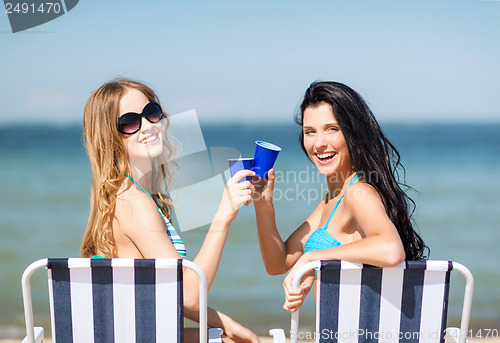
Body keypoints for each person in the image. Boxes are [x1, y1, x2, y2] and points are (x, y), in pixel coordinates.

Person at [80, 79, 259, 343]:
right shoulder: (135, 203)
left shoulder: (121, 194)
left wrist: (228, 324)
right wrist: (223, 215)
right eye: (129, 122)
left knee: (234, 337)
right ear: (109, 136)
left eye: (151, 113)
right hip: (141, 335)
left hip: (135, 332)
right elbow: (189, 293)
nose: (147, 126)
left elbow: (169, 291)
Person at [252, 81, 427, 313]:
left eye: (332, 129)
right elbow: (277, 263)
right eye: (310, 132)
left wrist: (311, 259)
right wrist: (264, 205)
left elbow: (391, 249)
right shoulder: (331, 200)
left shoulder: (358, 192)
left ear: (352, 133)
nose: (319, 143)